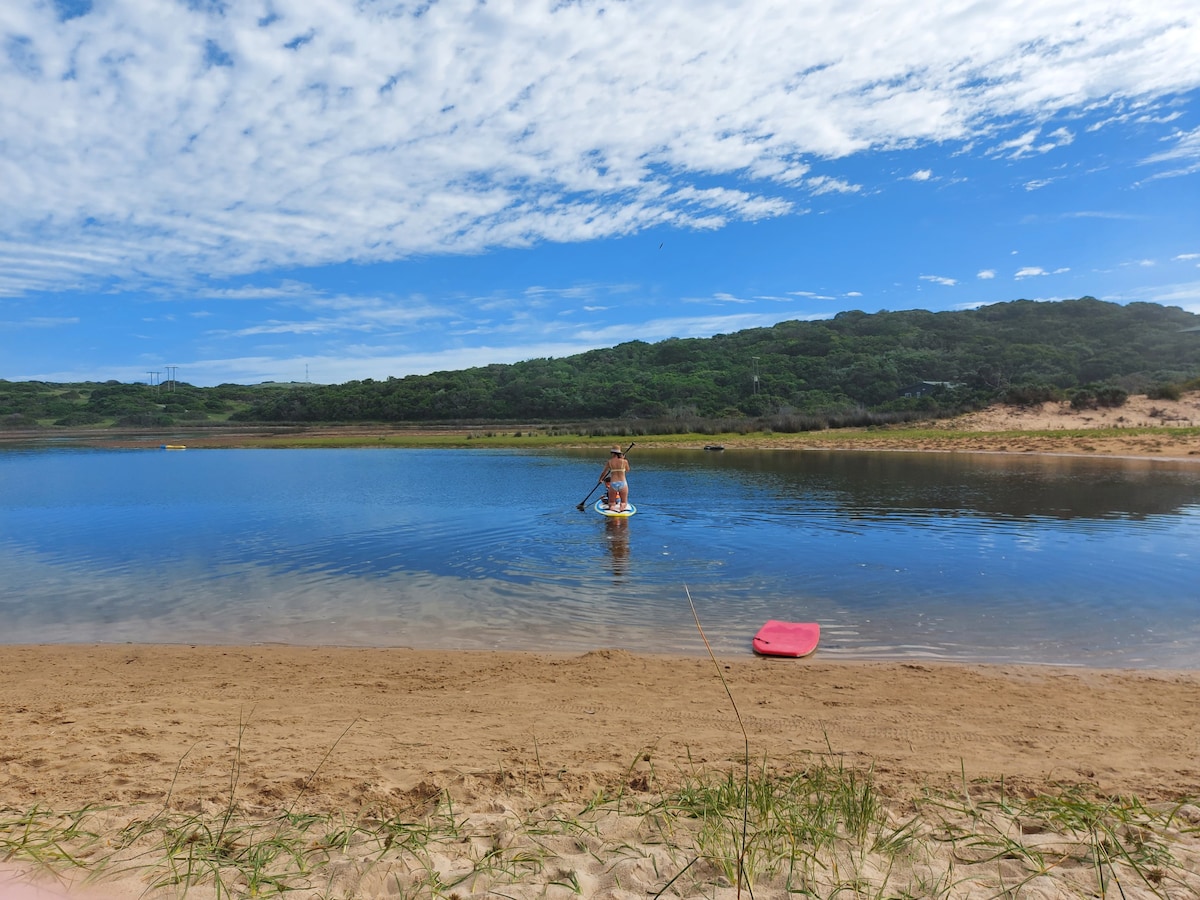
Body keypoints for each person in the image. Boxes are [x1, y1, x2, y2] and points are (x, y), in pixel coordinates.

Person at [599, 445, 631, 512]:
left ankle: (612, 516)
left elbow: (604, 472)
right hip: (623, 483)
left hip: (613, 483)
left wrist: (600, 480)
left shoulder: (609, 462)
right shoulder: (624, 461)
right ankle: (622, 513)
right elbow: (628, 470)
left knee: (612, 503)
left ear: (613, 453)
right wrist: (623, 459)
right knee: (623, 503)